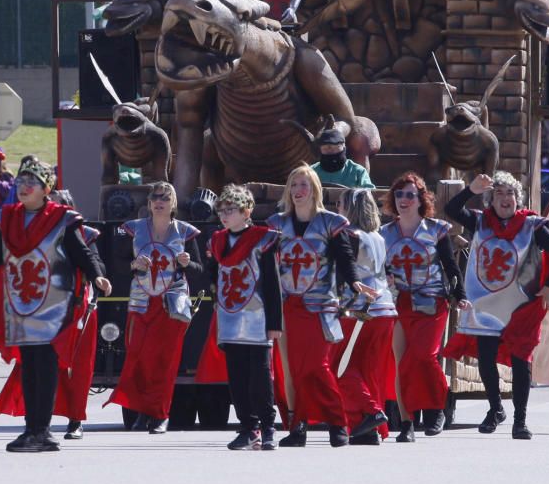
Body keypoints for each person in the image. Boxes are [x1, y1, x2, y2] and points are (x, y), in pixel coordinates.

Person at [0, 160, 111, 452]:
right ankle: (32, 429)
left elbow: (82, 252)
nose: (23, 188)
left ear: (46, 189)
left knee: (44, 363)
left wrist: (98, 276)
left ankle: (42, 430)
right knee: (29, 364)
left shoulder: (62, 219)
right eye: (20, 182)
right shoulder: (9, 218)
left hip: (52, 304)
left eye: (30, 183)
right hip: (21, 303)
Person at [444, 171, 549, 440]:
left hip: (520, 304)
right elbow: (451, 209)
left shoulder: (532, 225)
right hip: (486, 304)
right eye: (498, 193)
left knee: (521, 362)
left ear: (517, 199)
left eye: (510, 193)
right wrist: (470, 189)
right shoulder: (480, 222)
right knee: (486, 360)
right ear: (491, 200)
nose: (505, 198)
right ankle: (496, 408)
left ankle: (520, 420)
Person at [267, 165, 374, 448]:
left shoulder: (331, 222)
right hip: (289, 305)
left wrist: (354, 283)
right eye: (294, 185)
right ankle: (298, 426)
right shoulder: (276, 224)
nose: (299, 190)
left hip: (320, 306)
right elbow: (265, 262)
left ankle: (338, 422)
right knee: (295, 370)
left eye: (304, 184)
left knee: (317, 366)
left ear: (314, 189)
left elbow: (344, 257)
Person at [0, 189, 103, 441]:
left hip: (76, 310)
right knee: (39, 367)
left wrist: (93, 274)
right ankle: (39, 423)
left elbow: (94, 262)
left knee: (78, 369)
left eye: (61, 206)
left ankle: (75, 420)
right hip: (42, 312)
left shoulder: (83, 234)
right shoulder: (34, 234)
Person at [105, 182, 202, 434]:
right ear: (148, 203)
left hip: (171, 305)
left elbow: (200, 272)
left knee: (165, 362)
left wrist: (187, 264)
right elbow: (117, 264)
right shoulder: (134, 230)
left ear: (173, 203)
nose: (159, 201)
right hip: (141, 303)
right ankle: (140, 412)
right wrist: (134, 264)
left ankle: (159, 414)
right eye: (155, 197)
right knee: (138, 359)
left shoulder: (185, 232)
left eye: (165, 197)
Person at [380, 172, 464, 442]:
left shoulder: (436, 230)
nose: (403, 199)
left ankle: (437, 407)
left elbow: (451, 267)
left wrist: (458, 293)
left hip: (432, 301)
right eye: (399, 194)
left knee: (424, 356)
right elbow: (379, 268)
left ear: (420, 199)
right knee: (402, 361)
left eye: (409, 195)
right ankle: (407, 423)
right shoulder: (385, 233)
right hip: (399, 302)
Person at [205, 184, 282, 451]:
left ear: (246, 211)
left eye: (231, 210)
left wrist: (275, 323)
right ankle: (248, 428)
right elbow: (212, 274)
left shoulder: (263, 239)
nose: (225, 215)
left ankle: (268, 426)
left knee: (259, 377)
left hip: (257, 317)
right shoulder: (217, 241)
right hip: (229, 317)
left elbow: (272, 283)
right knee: (236, 377)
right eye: (222, 210)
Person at [333, 188, 397, 445]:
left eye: (340, 203)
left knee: (340, 367)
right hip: (385, 308)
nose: (337, 208)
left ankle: (371, 411)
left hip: (360, 309)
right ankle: (367, 428)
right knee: (369, 370)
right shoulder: (378, 237)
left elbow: (343, 270)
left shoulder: (349, 235)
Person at [309, 126, 375, 189]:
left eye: (335, 147)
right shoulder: (311, 171)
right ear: (320, 149)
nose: (330, 151)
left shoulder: (358, 171)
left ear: (343, 146)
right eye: (325, 148)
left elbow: (370, 193)